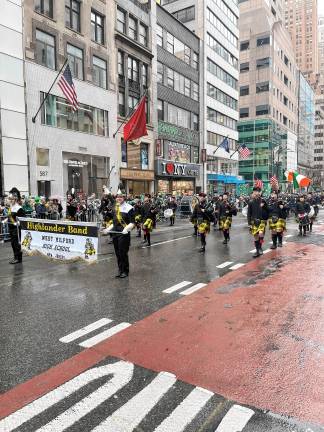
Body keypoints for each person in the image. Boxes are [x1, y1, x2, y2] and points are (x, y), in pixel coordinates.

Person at [104, 189, 135, 278]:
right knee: (117, 253)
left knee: (123, 253)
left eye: (121, 197)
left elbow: (133, 222)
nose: (119, 199)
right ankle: (120, 270)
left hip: (124, 234)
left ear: (124, 198)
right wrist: (108, 229)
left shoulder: (129, 208)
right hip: (115, 233)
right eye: (118, 197)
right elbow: (114, 222)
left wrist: (127, 228)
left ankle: (125, 271)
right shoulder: (115, 207)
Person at [5, 187, 25, 264]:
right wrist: (5, 220)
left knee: (17, 244)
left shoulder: (19, 208)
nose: (10, 201)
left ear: (15, 199)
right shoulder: (11, 207)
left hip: (16, 229)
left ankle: (18, 258)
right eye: (9, 199)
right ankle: (15, 257)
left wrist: (17, 223)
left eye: (12, 199)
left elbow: (22, 219)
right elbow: (10, 217)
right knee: (13, 243)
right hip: (11, 228)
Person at [247, 187, 269, 258]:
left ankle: (260, 247)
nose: (256, 193)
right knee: (256, 236)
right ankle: (257, 250)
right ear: (253, 192)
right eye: (255, 191)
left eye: (258, 191)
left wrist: (264, 206)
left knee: (261, 234)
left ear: (260, 192)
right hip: (254, 221)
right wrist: (249, 223)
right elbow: (249, 213)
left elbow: (268, 210)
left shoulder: (263, 201)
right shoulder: (251, 202)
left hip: (262, 220)